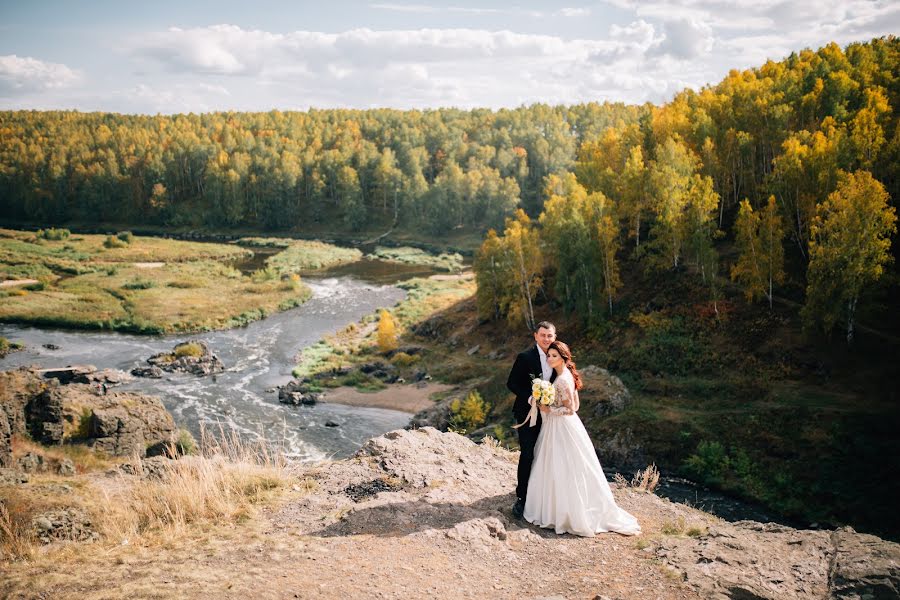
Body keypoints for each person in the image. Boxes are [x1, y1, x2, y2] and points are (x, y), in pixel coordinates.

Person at [523, 341, 641, 537]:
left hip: (561, 427)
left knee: (562, 466)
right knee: (562, 466)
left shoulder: (561, 380)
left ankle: (564, 513)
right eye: (549, 355)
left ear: (563, 358)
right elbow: (576, 406)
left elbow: (570, 409)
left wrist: (548, 408)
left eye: (554, 356)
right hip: (564, 426)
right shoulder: (565, 375)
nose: (549, 358)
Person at [506, 321, 557, 520]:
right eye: (542, 335)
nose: (546, 339)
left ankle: (543, 496)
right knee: (527, 454)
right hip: (528, 414)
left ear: (554, 336)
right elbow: (512, 383)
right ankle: (522, 498)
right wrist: (531, 398)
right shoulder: (525, 357)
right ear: (535, 336)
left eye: (550, 335)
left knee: (547, 455)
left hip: (551, 417)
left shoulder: (558, 357)